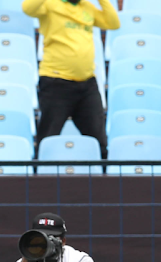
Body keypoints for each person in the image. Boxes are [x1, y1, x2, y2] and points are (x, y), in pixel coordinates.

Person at [23, 0, 120, 160]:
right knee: (48, 137)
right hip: (56, 82)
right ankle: (39, 181)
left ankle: (104, 179)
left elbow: (113, 23)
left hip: (87, 83)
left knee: (99, 141)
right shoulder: (50, 5)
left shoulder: (87, 7)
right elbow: (28, 8)